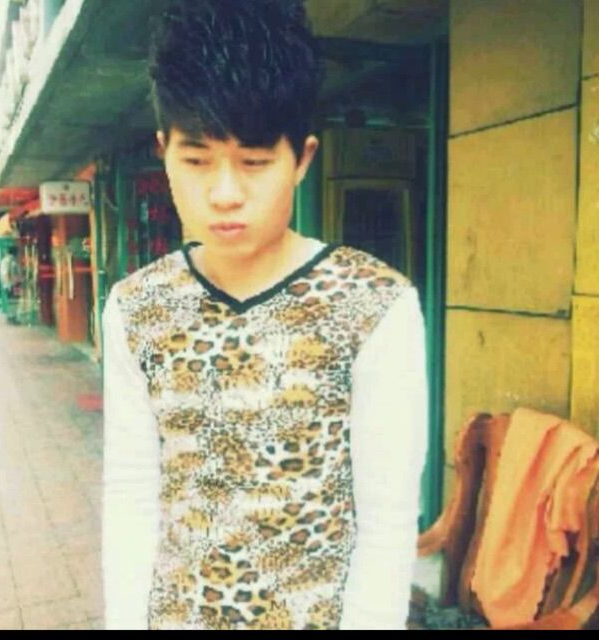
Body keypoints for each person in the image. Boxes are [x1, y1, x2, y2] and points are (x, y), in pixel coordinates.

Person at [103, 0, 427, 631]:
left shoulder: (373, 306)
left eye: (254, 162)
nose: (225, 194)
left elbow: (387, 522)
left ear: (302, 159)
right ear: (164, 151)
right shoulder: (136, 307)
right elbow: (132, 491)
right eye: (196, 161)